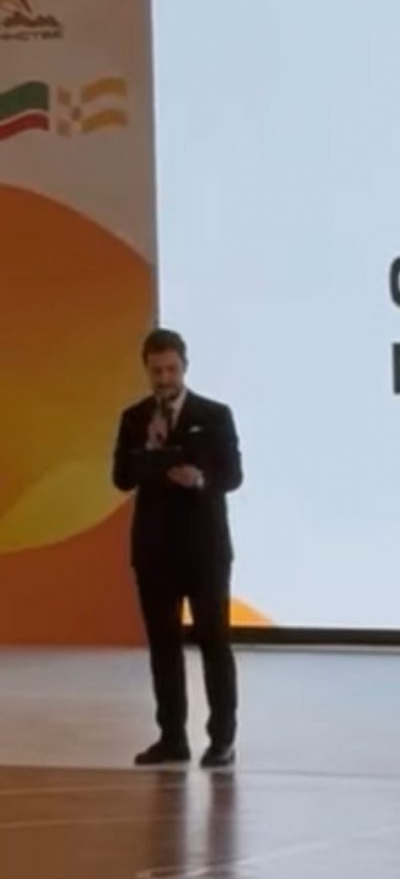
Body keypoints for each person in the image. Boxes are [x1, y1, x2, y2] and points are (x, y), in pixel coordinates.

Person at [112, 328, 243, 769]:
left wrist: (200, 478)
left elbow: (233, 475)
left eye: (171, 369)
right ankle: (172, 737)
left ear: (184, 367)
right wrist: (149, 451)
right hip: (154, 551)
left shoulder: (214, 414)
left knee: (213, 641)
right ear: (146, 370)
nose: (164, 378)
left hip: (204, 550)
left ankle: (222, 739)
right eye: (156, 371)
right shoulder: (134, 418)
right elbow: (121, 478)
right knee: (163, 646)